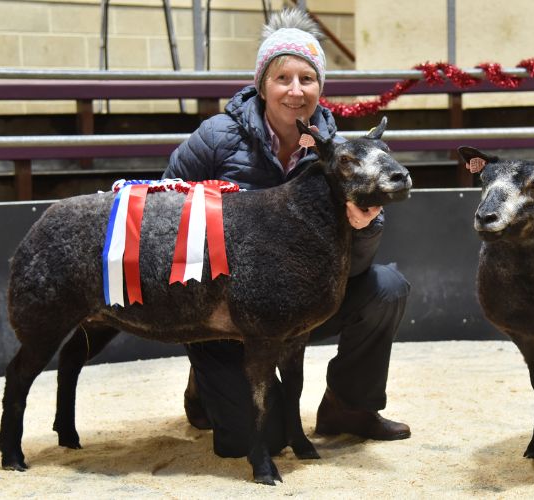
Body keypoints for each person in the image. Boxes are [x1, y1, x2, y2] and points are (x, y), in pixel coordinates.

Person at [161, 8, 411, 459]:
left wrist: (366, 225)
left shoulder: (342, 147)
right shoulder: (216, 138)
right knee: (258, 440)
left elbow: (355, 264)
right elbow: (166, 211)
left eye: (307, 78)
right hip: (224, 313)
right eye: (282, 78)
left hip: (302, 300)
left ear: (320, 87)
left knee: (386, 289)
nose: (296, 91)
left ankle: (349, 408)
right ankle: (206, 383)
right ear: (262, 84)